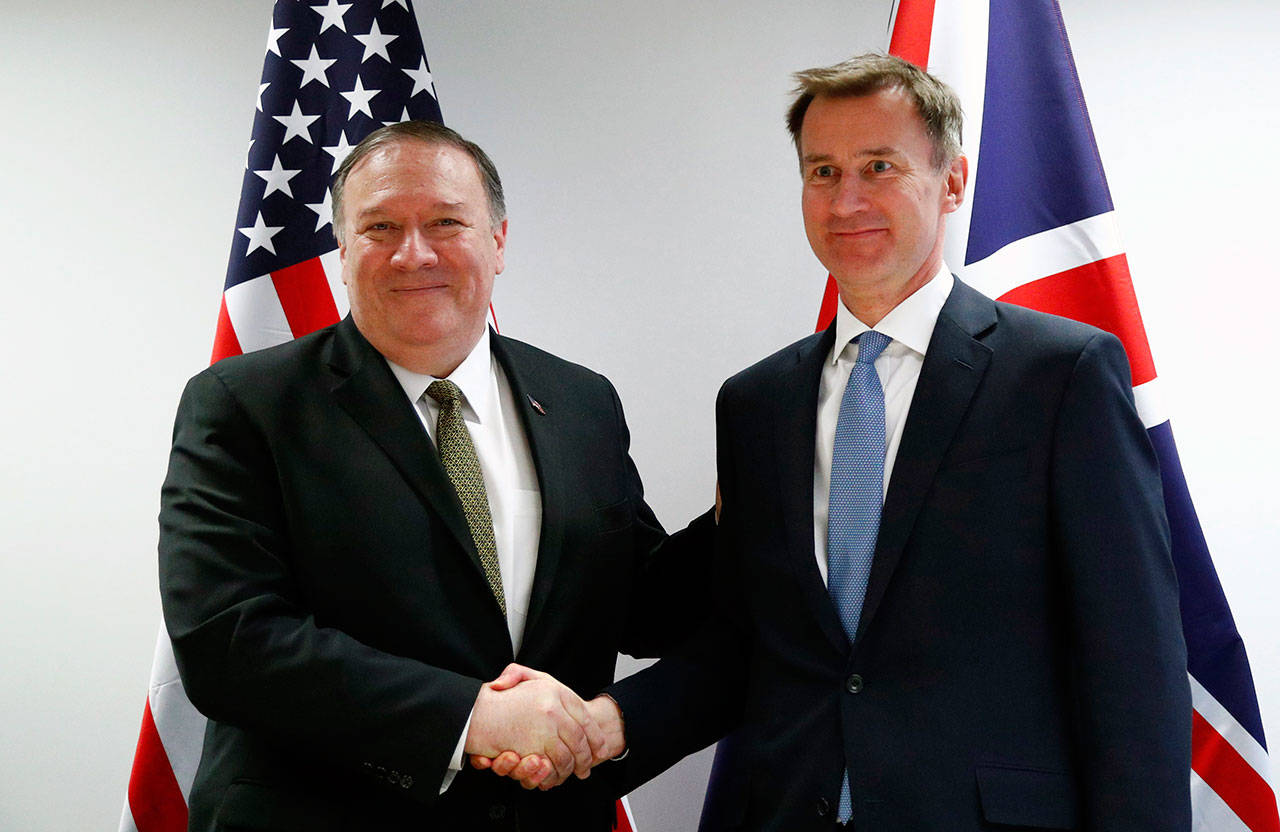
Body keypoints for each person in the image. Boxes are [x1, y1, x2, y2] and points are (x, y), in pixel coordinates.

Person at [489, 53, 1191, 829]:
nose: (847, 198)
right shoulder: (755, 404)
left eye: (879, 166)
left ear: (952, 182)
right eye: (822, 172)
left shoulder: (1062, 375)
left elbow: (1133, 662)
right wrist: (604, 726)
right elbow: (747, 643)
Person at [158, 120, 711, 832]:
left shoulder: (581, 400)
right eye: (380, 227)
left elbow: (643, 605)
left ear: (499, 242)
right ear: (343, 251)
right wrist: (474, 718)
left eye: (446, 221)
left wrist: (749, 509)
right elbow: (228, 641)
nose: (412, 254)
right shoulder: (246, 405)